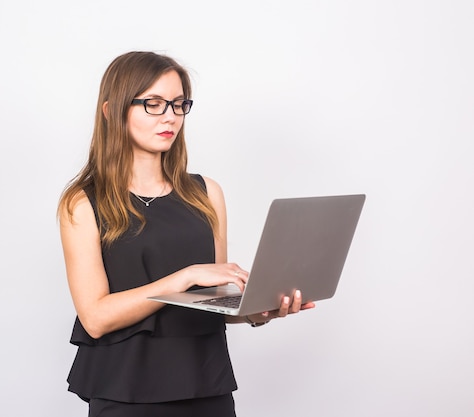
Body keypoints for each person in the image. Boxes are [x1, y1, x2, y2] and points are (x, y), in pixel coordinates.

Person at [57, 51, 315, 417]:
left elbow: (215, 301)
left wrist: (259, 310)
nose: (170, 117)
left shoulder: (206, 192)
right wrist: (185, 276)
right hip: (127, 394)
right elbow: (95, 318)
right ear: (112, 110)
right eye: (154, 104)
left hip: (206, 386)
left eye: (179, 105)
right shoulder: (82, 203)